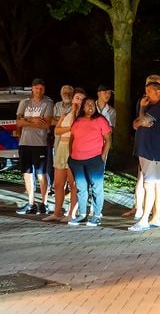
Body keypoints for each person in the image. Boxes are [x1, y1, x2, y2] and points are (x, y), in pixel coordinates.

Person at [128, 81, 160, 232]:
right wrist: (141, 119)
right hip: (148, 150)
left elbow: (144, 121)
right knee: (155, 185)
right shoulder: (153, 107)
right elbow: (135, 124)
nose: (146, 95)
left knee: (149, 185)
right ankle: (155, 217)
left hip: (154, 152)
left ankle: (144, 219)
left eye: (149, 92)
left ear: (158, 92)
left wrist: (142, 109)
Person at [68, 97, 112, 227]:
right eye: (87, 105)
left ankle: (96, 215)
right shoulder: (78, 121)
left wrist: (103, 156)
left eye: (92, 104)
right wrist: (71, 154)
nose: (90, 107)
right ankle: (82, 214)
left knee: (96, 188)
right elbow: (72, 138)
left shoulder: (100, 120)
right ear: (83, 107)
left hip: (94, 158)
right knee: (81, 188)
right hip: (77, 159)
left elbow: (108, 139)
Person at [45, 88, 86, 222]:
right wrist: (69, 127)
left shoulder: (84, 117)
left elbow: (76, 130)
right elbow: (57, 130)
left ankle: (71, 213)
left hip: (74, 149)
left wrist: (74, 113)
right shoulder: (66, 113)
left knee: (73, 183)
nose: (78, 101)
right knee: (58, 183)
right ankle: (57, 212)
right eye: (76, 98)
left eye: (81, 99)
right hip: (61, 148)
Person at [15, 78, 54, 215]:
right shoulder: (24, 102)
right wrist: (33, 120)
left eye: (41, 88)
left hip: (39, 143)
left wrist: (26, 121)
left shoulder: (48, 103)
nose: (39, 91)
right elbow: (18, 122)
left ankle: (44, 203)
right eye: (36, 88)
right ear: (32, 88)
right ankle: (31, 204)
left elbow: (46, 124)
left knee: (41, 174)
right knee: (27, 173)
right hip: (24, 143)